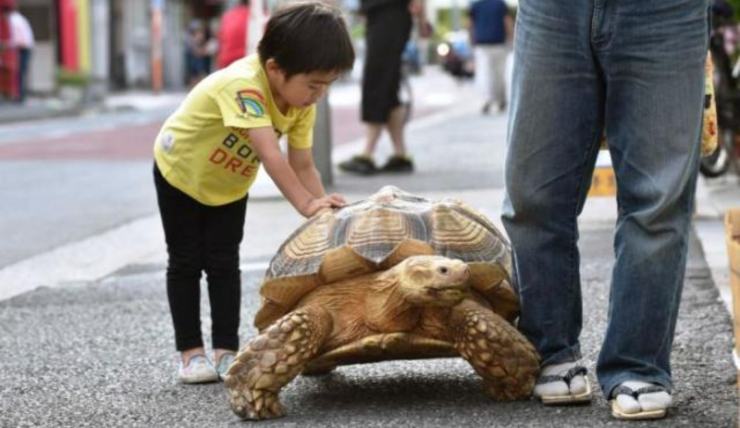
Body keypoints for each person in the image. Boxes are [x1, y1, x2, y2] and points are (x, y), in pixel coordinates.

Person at [502, 0, 707, 420]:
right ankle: (550, 350)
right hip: (552, 12)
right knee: (533, 193)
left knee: (658, 201)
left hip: (667, 12)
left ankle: (638, 363)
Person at [153, 2, 354, 384]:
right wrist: (306, 203)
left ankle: (227, 351)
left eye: (326, 86)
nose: (318, 95)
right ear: (275, 68)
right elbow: (270, 155)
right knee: (185, 261)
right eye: (313, 84)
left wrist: (324, 214)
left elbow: (303, 163)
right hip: (180, 172)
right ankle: (191, 354)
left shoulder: (301, 103)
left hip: (227, 184)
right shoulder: (243, 85)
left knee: (224, 262)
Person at [338, 0, 426, 175]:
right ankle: (400, 154)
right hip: (382, 14)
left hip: (390, 12)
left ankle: (367, 153)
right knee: (388, 86)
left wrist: (421, 15)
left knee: (376, 81)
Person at [467, 0, 512, 114]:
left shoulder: (475, 6)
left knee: (485, 72)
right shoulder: (500, 4)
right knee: (499, 73)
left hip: (482, 44)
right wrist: (511, 39)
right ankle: (500, 99)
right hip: (499, 43)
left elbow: (470, 25)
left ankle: (488, 99)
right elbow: (507, 22)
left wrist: (471, 42)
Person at [217, 0, 250, 69]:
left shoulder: (227, 16)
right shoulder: (255, 17)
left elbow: (221, 41)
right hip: (245, 60)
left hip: (226, 61)